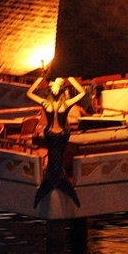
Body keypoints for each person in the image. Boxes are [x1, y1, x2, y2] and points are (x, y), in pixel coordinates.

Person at [26, 76, 85, 208]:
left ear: (62, 88)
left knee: (60, 155)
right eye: (52, 87)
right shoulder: (46, 103)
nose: (55, 89)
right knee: (53, 156)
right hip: (50, 134)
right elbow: (29, 93)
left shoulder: (66, 103)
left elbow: (82, 92)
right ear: (50, 88)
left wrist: (70, 76)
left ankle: (58, 179)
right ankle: (54, 179)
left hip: (63, 134)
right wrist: (41, 77)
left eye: (57, 86)